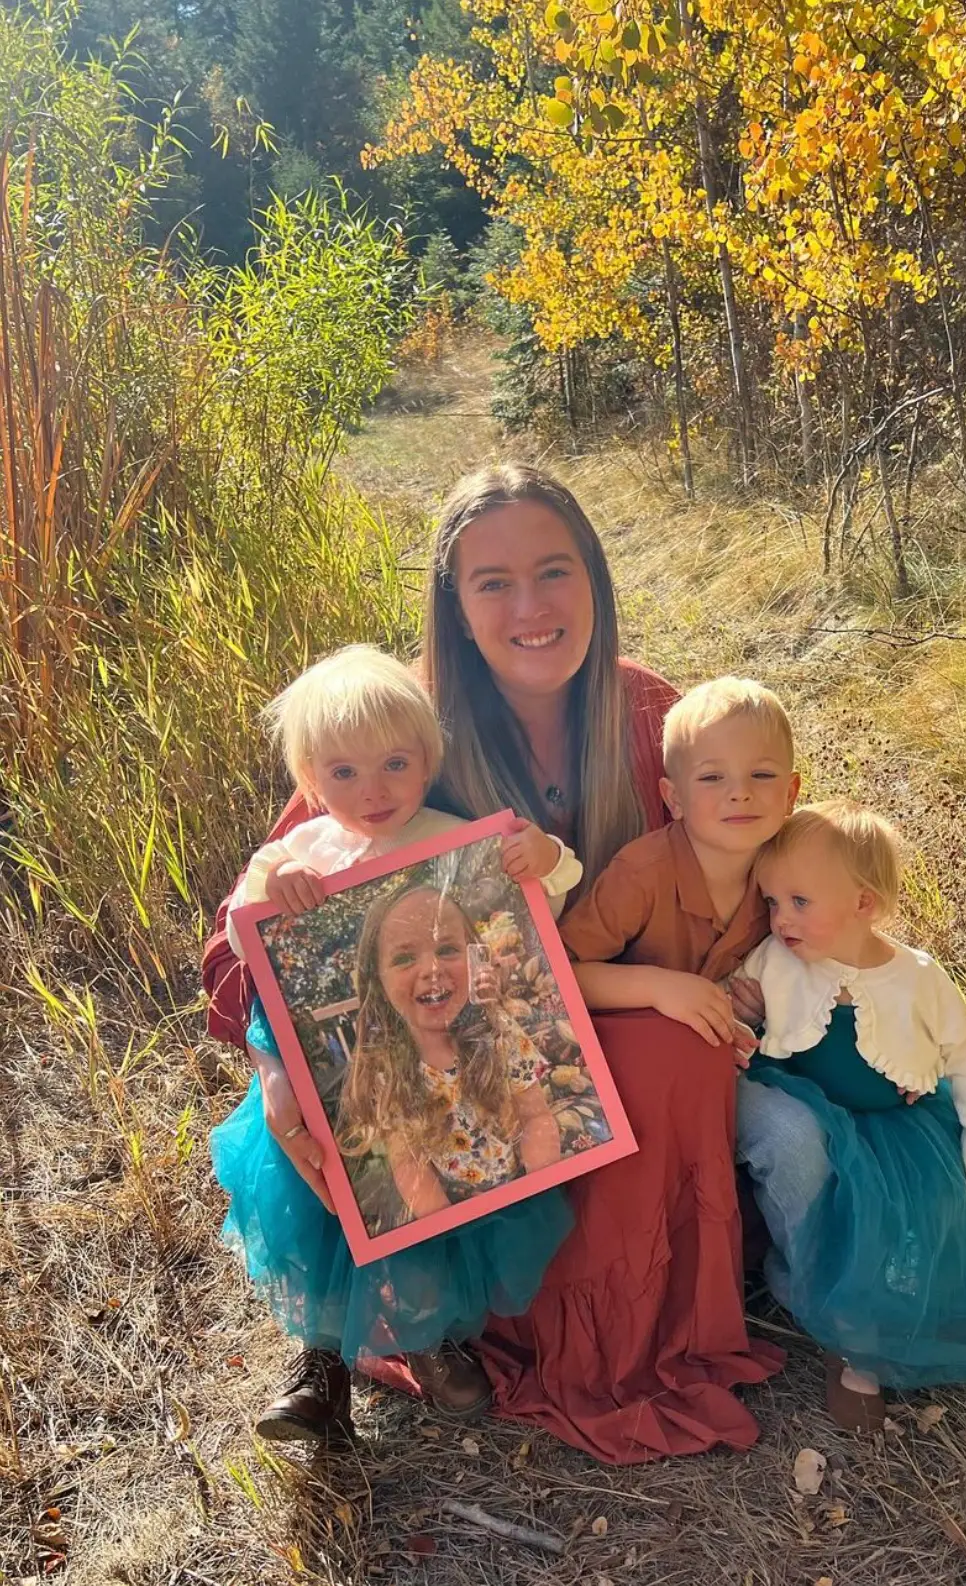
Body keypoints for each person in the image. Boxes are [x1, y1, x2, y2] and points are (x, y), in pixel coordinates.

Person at [202, 464, 783, 1464]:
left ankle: (639, 1320)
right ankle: (401, 1334)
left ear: (596, 579)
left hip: (606, 1010)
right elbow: (260, 925)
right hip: (445, 1030)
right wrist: (271, 1063)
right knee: (351, 1098)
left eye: (555, 570)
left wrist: (755, 968)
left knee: (675, 1057)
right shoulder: (397, 730)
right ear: (453, 605)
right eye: (491, 582)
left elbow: (764, 849)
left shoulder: (650, 711)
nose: (530, 607)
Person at [210, 644, 579, 1439]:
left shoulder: (454, 838)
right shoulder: (297, 852)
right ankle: (321, 1372)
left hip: (429, 1063)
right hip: (326, 1073)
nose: (372, 792)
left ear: (428, 760)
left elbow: (554, 882)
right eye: (342, 773)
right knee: (329, 1206)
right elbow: (247, 940)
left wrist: (539, 854)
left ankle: (435, 1340)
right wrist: (272, 891)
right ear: (310, 777)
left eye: (394, 764)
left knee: (426, 1197)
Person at [736, 799, 966, 1432]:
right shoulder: (776, 958)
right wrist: (736, 1000)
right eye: (770, 901)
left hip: (902, 1129)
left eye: (798, 902)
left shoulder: (918, 978)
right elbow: (740, 1001)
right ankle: (851, 1346)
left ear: (863, 904)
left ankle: (913, 1324)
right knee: (844, 1214)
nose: (779, 919)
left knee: (920, 1221)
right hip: (817, 1111)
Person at [561, 677, 798, 1055]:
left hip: (743, 1051)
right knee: (788, 1120)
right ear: (674, 798)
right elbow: (558, 976)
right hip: (639, 1054)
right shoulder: (642, 873)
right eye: (712, 778)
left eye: (762, 774)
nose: (740, 792)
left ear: (790, 793)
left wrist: (765, 999)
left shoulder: (791, 866)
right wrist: (658, 987)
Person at [343, 884, 560, 1225]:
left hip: (523, 1189)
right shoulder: (388, 1067)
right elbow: (408, 1163)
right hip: (454, 1213)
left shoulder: (498, 1033)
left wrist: (541, 1188)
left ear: (474, 957)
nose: (432, 969)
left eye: (447, 949)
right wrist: (451, 1228)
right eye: (404, 958)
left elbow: (536, 1117)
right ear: (377, 982)